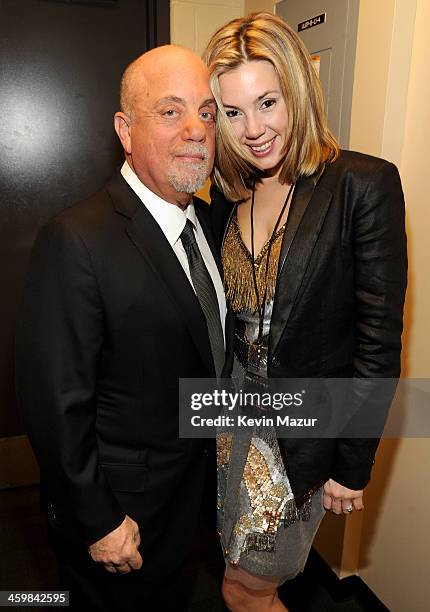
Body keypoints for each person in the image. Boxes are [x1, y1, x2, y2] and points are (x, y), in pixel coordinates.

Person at [203, 12, 407, 612]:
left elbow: (378, 346)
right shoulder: (227, 196)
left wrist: (353, 466)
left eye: (268, 102)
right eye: (233, 113)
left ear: (296, 88)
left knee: (245, 588)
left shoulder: (361, 185)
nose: (254, 130)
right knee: (235, 567)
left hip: (301, 440)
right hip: (229, 422)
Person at [16, 45, 231, 611]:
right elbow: (54, 405)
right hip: (122, 517)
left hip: (188, 502)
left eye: (207, 113)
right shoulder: (77, 238)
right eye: (170, 111)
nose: (195, 130)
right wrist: (98, 519)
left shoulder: (209, 223)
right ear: (125, 130)